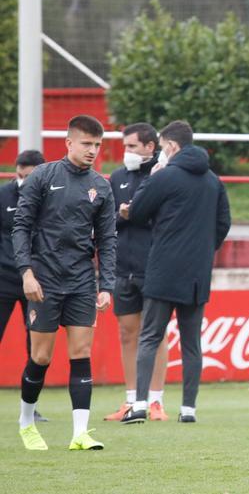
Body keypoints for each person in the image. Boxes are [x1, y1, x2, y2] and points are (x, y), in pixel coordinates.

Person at [13, 115, 117, 451]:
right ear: (69, 143)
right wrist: (26, 273)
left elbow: (108, 239)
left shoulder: (101, 186)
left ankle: (80, 433)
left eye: (97, 145)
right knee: (41, 357)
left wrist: (106, 285)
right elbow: (21, 228)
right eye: (87, 144)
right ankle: (26, 421)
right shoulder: (43, 176)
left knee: (81, 352)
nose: (92, 150)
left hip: (82, 280)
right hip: (43, 279)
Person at [121, 121, 231, 425]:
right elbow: (223, 224)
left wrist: (151, 179)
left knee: (150, 336)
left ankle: (140, 404)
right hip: (197, 273)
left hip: (163, 270)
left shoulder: (165, 176)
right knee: (192, 342)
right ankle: (188, 410)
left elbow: (138, 211)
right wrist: (204, 250)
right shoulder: (213, 180)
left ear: (170, 146)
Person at [103, 123, 170, 422]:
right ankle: (132, 400)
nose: (126, 152)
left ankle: (155, 402)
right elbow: (107, 223)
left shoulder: (164, 176)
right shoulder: (117, 177)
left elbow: (167, 220)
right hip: (122, 269)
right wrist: (123, 214)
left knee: (155, 334)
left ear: (149, 147)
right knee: (127, 333)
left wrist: (139, 211)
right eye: (124, 146)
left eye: (131, 146)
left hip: (155, 267)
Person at [0, 150, 48, 423]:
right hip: (5, 279)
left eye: (30, 176)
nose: (24, 180)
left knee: (37, 344)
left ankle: (30, 406)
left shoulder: (49, 198)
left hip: (37, 280)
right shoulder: (3, 196)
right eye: (21, 175)